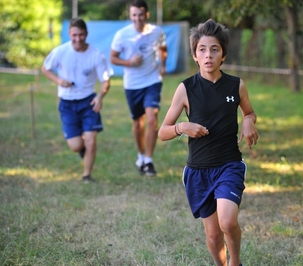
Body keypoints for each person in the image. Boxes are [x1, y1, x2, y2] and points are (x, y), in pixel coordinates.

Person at [158, 19, 259, 266]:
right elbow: (162, 131)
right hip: (198, 170)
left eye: (214, 49)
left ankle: (236, 262)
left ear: (223, 54)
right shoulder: (186, 89)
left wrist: (248, 121)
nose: (208, 55)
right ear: (194, 54)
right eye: (202, 49)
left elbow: (249, 112)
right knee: (213, 236)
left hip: (229, 165)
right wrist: (182, 127)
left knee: (227, 222)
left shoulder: (237, 85)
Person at [41, 18, 112, 183]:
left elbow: (105, 79)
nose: (78, 39)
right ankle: (82, 148)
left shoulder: (96, 55)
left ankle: (87, 175)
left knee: (91, 140)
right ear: (69, 34)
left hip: (89, 102)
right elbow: (45, 68)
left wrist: (100, 96)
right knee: (75, 146)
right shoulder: (60, 51)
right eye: (74, 35)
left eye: (81, 35)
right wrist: (59, 81)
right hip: (67, 103)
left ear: (86, 34)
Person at [110, 0, 167, 177]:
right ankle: (141, 155)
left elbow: (163, 48)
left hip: (152, 81)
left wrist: (162, 64)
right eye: (134, 15)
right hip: (132, 84)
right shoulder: (122, 35)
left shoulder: (157, 32)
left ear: (146, 15)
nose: (137, 18)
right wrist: (128, 62)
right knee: (138, 123)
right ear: (130, 15)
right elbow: (113, 58)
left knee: (152, 119)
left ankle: (149, 161)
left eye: (140, 15)